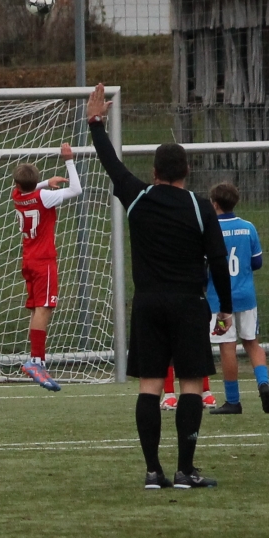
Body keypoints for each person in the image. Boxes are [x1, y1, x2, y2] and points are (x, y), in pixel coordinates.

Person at [83, 85, 233, 490]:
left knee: (150, 386)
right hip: (189, 304)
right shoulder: (200, 206)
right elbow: (218, 261)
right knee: (190, 384)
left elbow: (111, 164)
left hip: (148, 304)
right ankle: (185, 470)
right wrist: (226, 308)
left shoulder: (139, 197)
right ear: (186, 171)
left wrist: (95, 123)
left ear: (154, 171)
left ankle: (153, 472)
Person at [10, 144, 82, 391]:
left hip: (28, 259)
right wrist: (69, 160)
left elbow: (26, 188)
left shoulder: (17, 196)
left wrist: (43, 183)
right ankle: (37, 361)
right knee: (45, 307)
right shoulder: (44, 198)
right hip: (44, 261)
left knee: (36, 309)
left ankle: (36, 359)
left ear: (17, 183)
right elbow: (76, 189)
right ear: (36, 181)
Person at [204, 181, 269, 415]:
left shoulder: (210, 229)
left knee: (227, 346)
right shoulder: (248, 227)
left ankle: (233, 401)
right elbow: (257, 262)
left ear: (215, 204)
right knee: (252, 342)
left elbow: (205, 265)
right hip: (246, 297)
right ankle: (263, 383)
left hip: (220, 301)